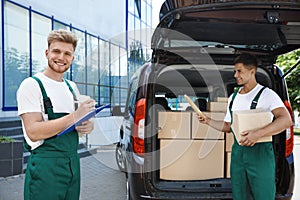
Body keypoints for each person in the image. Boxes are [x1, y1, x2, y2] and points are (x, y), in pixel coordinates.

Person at [198, 53, 293, 200]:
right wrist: (208, 120)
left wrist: (258, 134)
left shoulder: (267, 95)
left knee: (264, 196)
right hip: (239, 156)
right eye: (235, 71)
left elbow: (286, 120)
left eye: (239, 71)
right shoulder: (233, 98)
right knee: (240, 196)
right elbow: (228, 126)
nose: (235, 75)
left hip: (260, 156)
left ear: (252, 71)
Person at [17, 29, 95, 200]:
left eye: (67, 53)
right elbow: (34, 131)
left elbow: (77, 126)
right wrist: (75, 116)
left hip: (72, 164)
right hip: (46, 168)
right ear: (47, 53)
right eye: (56, 51)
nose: (61, 57)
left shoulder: (71, 87)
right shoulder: (31, 85)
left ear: (72, 58)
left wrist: (87, 125)